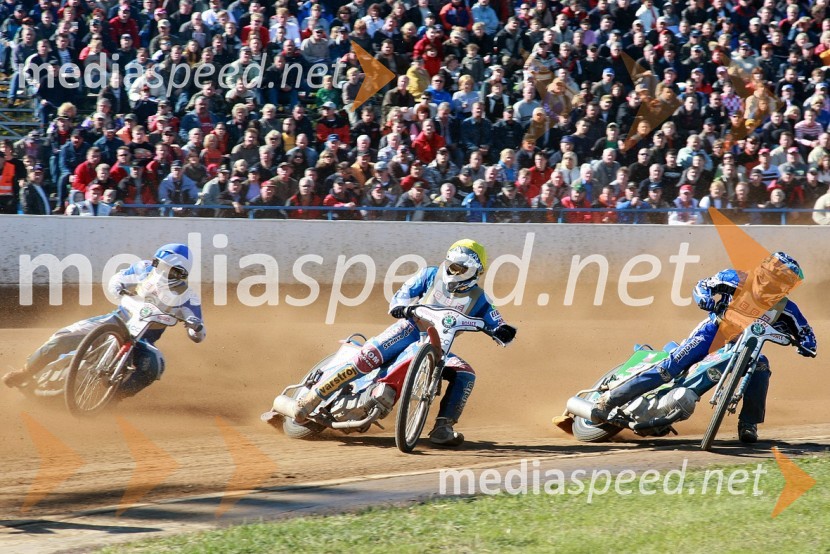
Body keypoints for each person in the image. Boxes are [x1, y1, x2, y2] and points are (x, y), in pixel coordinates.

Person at [275, 239, 517, 446]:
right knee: (367, 357)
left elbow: (497, 321)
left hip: (439, 348)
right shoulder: (430, 274)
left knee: (465, 374)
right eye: (450, 264)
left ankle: (442, 428)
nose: (451, 271)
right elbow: (401, 296)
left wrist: (502, 331)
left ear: (474, 271)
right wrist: (404, 307)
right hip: (409, 328)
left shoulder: (479, 298)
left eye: (458, 267)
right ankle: (314, 397)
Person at [591, 252, 817, 443]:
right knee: (670, 368)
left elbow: (805, 331)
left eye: (789, 283)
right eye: (784, 279)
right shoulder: (737, 278)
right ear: (770, 273)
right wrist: (705, 299)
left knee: (761, 366)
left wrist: (807, 343)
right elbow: (703, 285)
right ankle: (609, 401)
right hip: (711, 333)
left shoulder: (785, 308)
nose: (785, 287)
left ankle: (749, 424)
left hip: (745, 345)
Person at [3, 244, 206, 398]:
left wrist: (194, 326)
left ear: (181, 274)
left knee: (154, 366)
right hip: (116, 320)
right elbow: (117, 279)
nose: (162, 272)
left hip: (144, 338)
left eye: (170, 270)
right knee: (63, 337)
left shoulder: (188, 296)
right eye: (160, 266)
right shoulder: (143, 269)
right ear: (155, 263)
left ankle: (114, 399)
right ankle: (26, 373)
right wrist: (119, 288)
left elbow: (199, 332)